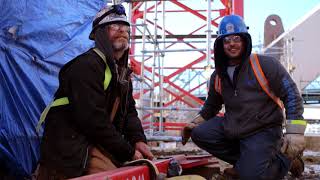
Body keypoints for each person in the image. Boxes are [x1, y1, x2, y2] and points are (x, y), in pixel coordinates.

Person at [36, 4, 154, 179]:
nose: (122, 30)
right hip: (73, 148)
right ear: (100, 34)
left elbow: (128, 111)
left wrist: (138, 140)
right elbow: (92, 119)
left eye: (125, 27)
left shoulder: (121, 73)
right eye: (114, 26)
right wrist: (128, 152)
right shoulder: (85, 66)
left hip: (96, 142)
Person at [181, 15, 306, 180]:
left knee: (251, 176)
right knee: (199, 133)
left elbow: (291, 94)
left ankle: (286, 159)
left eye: (236, 38)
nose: (231, 44)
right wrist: (195, 123)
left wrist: (295, 132)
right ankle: (247, 163)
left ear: (245, 40)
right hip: (235, 128)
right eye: (226, 40)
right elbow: (211, 106)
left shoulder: (265, 65)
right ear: (220, 45)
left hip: (263, 131)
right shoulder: (218, 75)